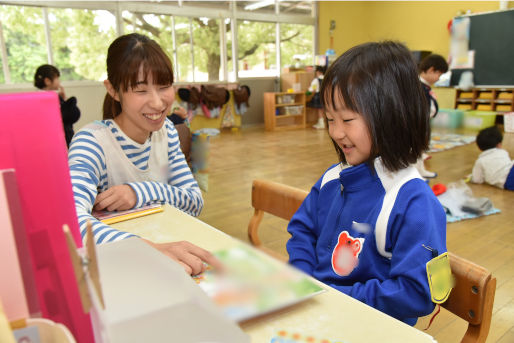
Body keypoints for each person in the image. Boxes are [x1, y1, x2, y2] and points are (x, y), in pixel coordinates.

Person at [286, 41, 448, 326]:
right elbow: (302, 230)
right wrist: (302, 278)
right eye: (329, 119)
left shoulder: (413, 202)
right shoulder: (333, 177)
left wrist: (333, 296)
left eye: (347, 119)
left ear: (392, 114)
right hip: (319, 312)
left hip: (370, 326)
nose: (336, 132)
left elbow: (415, 294)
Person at [68, 33, 219, 275]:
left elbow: (194, 201)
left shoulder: (166, 132)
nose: (158, 103)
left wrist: (138, 192)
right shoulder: (92, 143)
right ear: (113, 90)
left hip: (167, 252)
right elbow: (71, 224)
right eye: (141, 90)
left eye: (164, 87)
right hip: (120, 267)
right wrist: (144, 249)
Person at [415, 54, 449, 178]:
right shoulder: (418, 86)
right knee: (414, 150)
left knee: (420, 149)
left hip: (423, 123)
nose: (439, 78)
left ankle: (421, 170)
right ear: (430, 70)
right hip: (417, 123)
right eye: (439, 74)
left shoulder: (424, 86)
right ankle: (416, 175)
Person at [34, 64, 81, 148]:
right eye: (57, 78)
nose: (59, 81)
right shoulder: (46, 98)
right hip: (57, 140)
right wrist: (66, 101)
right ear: (47, 81)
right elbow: (67, 115)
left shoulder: (51, 97)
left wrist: (63, 99)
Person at [471, 126, 514, 190]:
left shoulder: (480, 161)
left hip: (508, 181)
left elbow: (476, 180)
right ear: (499, 145)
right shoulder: (503, 152)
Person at [307, 65, 326, 129]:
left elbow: (312, 90)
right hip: (325, 96)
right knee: (323, 110)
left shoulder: (316, 80)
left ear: (318, 72)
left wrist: (307, 92)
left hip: (318, 97)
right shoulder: (326, 79)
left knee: (319, 110)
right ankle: (321, 122)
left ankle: (321, 124)